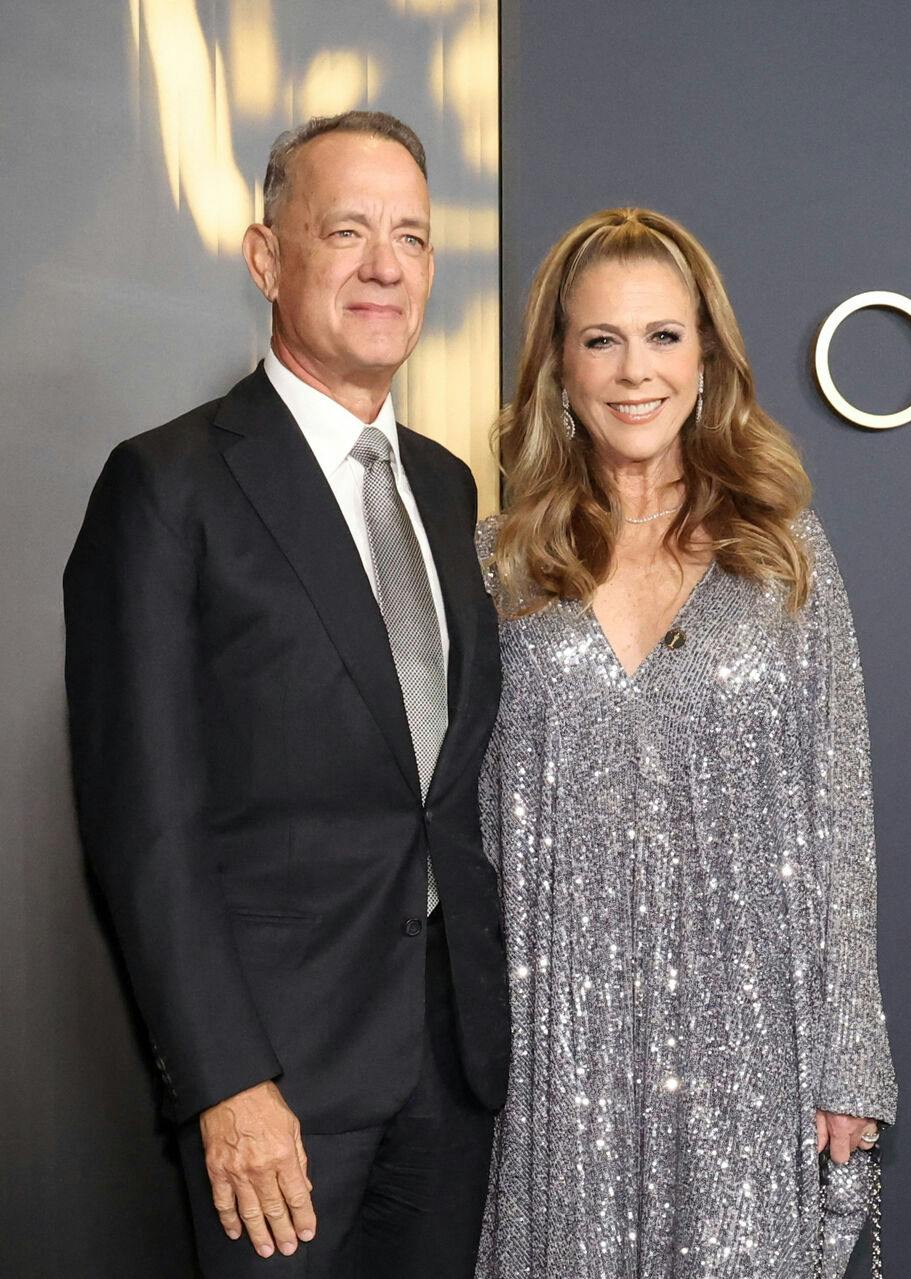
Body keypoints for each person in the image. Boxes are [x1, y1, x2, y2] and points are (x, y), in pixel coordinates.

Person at [63, 111, 508, 1276]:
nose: (383, 266)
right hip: (278, 1093)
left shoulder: (451, 490)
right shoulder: (168, 487)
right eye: (346, 230)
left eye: (410, 237)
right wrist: (225, 1083)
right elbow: (141, 827)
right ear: (268, 257)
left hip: (453, 1072)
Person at [475, 207, 897, 1278]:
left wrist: (849, 1053)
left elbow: (837, 806)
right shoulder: (494, 562)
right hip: (549, 1043)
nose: (634, 372)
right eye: (601, 339)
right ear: (558, 366)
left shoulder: (781, 553)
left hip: (746, 1053)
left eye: (664, 336)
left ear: (707, 357)